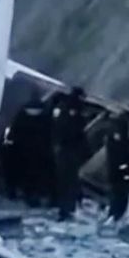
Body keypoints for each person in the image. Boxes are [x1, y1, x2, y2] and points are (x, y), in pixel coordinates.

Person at [51, 87, 88, 221]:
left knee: (64, 180)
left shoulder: (63, 109)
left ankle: (63, 207)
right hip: (70, 150)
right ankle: (67, 208)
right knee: (70, 180)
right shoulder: (75, 112)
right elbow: (76, 132)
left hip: (63, 149)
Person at [104, 110, 129, 221]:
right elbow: (120, 150)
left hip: (116, 167)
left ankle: (114, 215)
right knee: (119, 193)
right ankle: (114, 215)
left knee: (117, 192)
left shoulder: (115, 130)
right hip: (118, 168)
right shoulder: (119, 131)